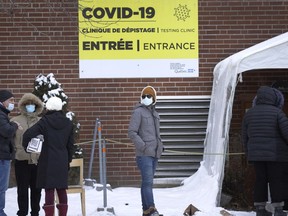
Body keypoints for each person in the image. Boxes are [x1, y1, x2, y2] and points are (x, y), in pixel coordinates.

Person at [22, 96, 74, 216]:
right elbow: (70, 145)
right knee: (61, 189)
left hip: (47, 159)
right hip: (62, 159)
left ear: (48, 107)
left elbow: (28, 134)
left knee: (49, 189)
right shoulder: (68, 123)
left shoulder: (45, 121)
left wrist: (28, 147)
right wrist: (68, 160)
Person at [242, 86, 288, 216]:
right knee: (276, 180)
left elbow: (245, 137)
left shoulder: (249, 114)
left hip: (256, 156)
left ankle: (260, 210)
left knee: (260, 180)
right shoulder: (278, 113)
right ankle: (278, 210)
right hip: (276, 155)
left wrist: (248, 154)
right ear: (274, 98)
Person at [128, 86, 163, 216]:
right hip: (144, 154)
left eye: (149, 96)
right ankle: (152, 208)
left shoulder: (155, 114)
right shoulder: (138, 112)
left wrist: (160, 146)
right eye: (144, 96)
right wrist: (142, 146)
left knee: (147, 182)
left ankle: (146, 211)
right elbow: (132, 132)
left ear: (154, 98)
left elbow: (156, 134)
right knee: (148, 182)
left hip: (154, 154)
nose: (146, 98)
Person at [11, 93, 44, 216]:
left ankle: (35, 212)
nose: (30, 106)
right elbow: (10, 139)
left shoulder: (42, 121)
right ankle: (22, 212)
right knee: (22, 190)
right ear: (23, 106)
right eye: (27, 104)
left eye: (33, 104)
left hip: (37, 160)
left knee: (37, 190)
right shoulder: (15, 121)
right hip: (22, 160)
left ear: (37, 106)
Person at [0, 89, 21, 216]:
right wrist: (14, 125)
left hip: (3, 155)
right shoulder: (1, 115)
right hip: (2, 156)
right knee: (1, 188)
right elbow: (7, 131)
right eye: (11, 100)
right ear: (3, 101)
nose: (13, 103)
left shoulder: (3, 114)